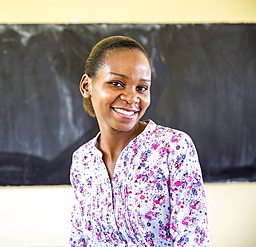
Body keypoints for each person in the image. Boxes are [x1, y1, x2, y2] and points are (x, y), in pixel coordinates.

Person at [69, 36, 211, 246]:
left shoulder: (172, 148)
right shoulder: (82, 161)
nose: (132, 98)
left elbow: (193, 238)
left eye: (142, 88)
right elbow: (79, 239)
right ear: (86, 86)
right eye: (117, 83)